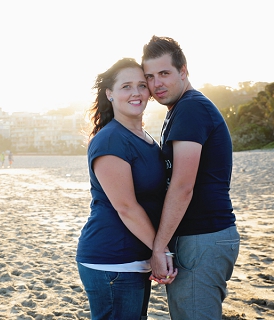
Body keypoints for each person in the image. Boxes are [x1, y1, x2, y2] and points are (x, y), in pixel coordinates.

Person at [143, 36, 240, 319]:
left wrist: (158, 248)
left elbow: (183, 186)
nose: (156, 83)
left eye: (164, 73)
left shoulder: (191, 108)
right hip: (202, 237)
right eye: (150, 76)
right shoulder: (180, 110)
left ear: (183, 71)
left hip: (203, 238)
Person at [76, 58, 177, 319]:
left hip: (134, 259)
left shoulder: (146, 138)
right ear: (109, 93)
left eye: (142, 85)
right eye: (126, 86)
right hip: (112, 260)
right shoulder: (110, 139)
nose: (136, 93)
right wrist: (160, 250)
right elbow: (126, 207)